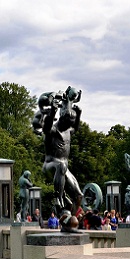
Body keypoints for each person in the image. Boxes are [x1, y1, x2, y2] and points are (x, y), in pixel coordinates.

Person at [40, 87, 84, 215]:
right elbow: (46, 126)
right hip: (51, 165)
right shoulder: (53, 130)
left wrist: (79, 114)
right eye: (68, 122)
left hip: (63, 168)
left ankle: (71, 219)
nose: (69, 125)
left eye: (71, 122)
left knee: (78, 195)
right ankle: (57, 197)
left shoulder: (68, 131)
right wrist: (53, 110)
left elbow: (76, 127)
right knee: (62, 165)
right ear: (62, 119)